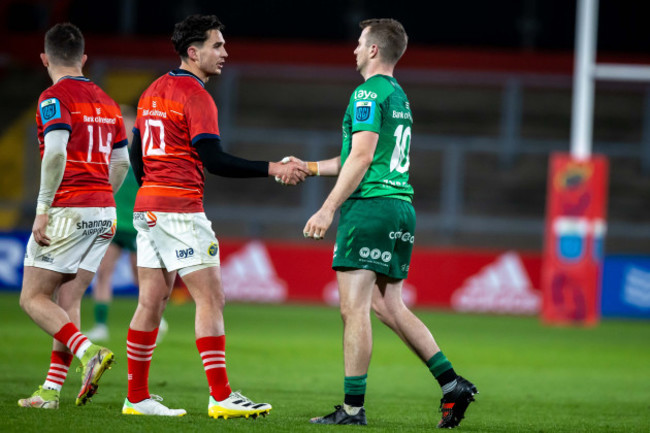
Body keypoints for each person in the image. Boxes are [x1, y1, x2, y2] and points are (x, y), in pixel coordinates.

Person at [122, 14, 309, 418]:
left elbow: (136, 153)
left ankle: (136, 397)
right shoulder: (196, 95)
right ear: (194, 52)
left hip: (148, 208)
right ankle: (221, 396)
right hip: (180, 210)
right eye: (217, 45)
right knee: (212, 298)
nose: (225, 52)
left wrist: (150, 191)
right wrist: (272, 168)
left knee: (150, 301)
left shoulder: (152, 90)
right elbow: (215, 160)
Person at [298, 19, 478, 428]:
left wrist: (327, 208)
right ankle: (452, 385)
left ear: (375, 50)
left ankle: (352, 410)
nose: (355, 50)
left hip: (371, 207)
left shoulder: (366, 91)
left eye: (360, 43)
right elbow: (358, 156)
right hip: (400, 208)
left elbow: (360, 160)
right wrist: (308, 167)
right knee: (386, 305)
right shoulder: (398, 95)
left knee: (354, 309)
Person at [18, 23, 129, 409]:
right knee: (68, 298)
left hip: (68, 207)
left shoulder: (53, 97)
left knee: (32, 298)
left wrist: (43, 209)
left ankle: (88, 352)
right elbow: (122, 162)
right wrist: (101, 199)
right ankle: (50, 391)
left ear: (45, 59)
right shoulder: (108, 101)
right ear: (83, 59)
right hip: (104, 210)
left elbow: (55, 151)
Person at [84, 106, 169, 344]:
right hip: (113, 223)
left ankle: (155, 317)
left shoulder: (146, 157)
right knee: (103, 273)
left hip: (138, 225)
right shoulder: (111, 156)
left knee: (139, 277)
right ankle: (100, 326)